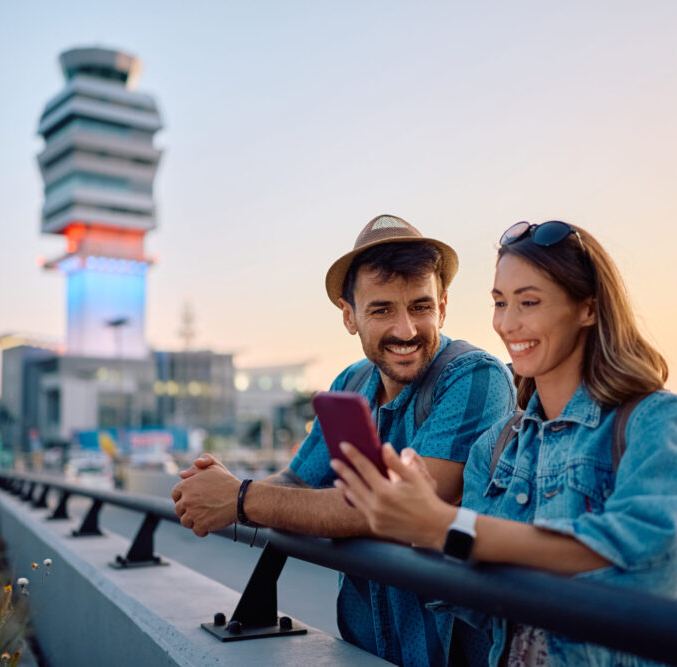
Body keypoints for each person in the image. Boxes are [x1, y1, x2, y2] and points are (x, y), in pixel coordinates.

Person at [333, 220, 677, 666]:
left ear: (588, 308)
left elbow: (648, 563)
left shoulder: (656, 420)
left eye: (528, 302)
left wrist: (448, 526)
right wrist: (423, 528)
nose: (508, 324)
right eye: (499, 303)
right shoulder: (495, 448)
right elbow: (475, 603)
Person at [171, 214, 515, 666]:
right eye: (381, 309)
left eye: (420, 306)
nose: (406, 330)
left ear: (444, 306)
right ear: (349, 315)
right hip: (362, 647)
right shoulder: (350, 383)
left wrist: (239, 500)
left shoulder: (475, 377)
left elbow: (400, 510)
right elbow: (298, 481)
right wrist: (218, 486)